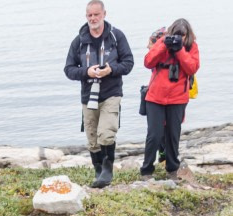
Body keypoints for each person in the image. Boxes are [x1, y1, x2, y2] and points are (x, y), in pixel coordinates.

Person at [64, 1, 135, 188]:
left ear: (104, 14)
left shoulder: (116, 36)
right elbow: (68, 69)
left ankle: (107, 169)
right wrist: (86, 72)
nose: (93, 19)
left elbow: (128, 63)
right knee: (92, 137)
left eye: (96, 15)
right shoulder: (78, 41)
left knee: (106, 133)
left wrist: (110, 70)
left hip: (111, 93)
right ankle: (97, 169)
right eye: (90, 16)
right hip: (88, 96)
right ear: (86, 16)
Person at [139, 19, 200, 181]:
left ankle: (172, 169)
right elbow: (148, 62)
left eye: (181, 35)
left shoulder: (191, 46)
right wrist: (163, 45)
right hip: (155, 97)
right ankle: (146, 169)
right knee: (154, 134)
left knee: (173, 134)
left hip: (178, 98)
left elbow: (192, 68)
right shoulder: (162, 42)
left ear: (187, 35)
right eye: (175, 35)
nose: (177, 38)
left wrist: (180, 50)